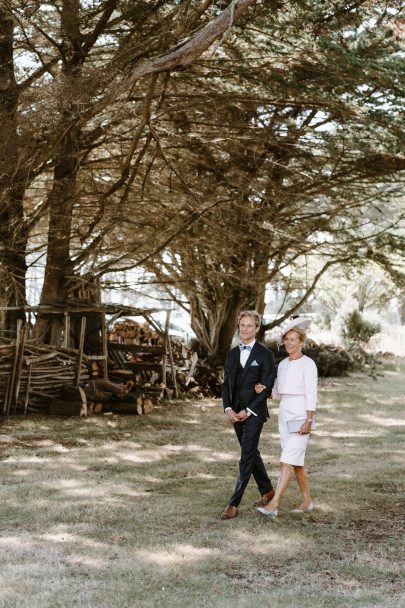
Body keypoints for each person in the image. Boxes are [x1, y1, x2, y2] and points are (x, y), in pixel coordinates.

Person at [256, 317, 317, 518]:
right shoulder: (282, 364)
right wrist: (264, 389)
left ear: (301, 342)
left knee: (287, 460)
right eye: (287, 339)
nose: (289, 343)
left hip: (301, 414)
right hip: (285, 413)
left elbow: (312, 393)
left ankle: (274, 505)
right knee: (295, 461)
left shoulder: (308, 364)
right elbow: (277, 392)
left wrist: (309, 420)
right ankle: (307, 501)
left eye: (293, 339)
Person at [220, 310, 276, 520]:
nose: (245, 329)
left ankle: (233, 504)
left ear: (257, 328)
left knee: (246, 456)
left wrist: (248, 410)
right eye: (242, 325)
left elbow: (267, 387)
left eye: (249, 326)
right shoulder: (233, 353)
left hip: (254, 412)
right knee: (251, 452)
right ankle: (268, 490)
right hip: (235, 413)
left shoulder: (265, 355)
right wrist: (228, 409)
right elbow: (226, 384)